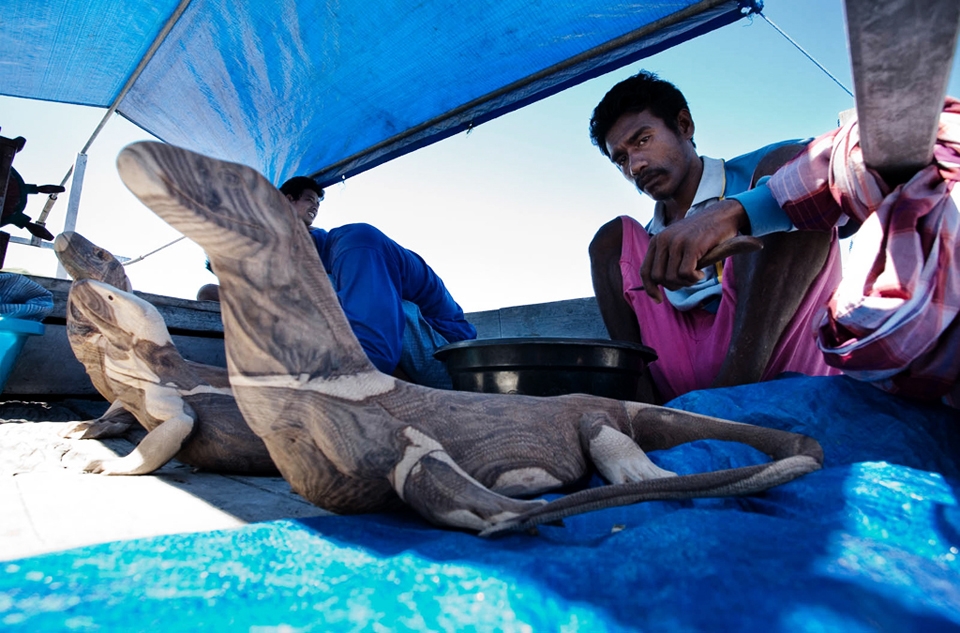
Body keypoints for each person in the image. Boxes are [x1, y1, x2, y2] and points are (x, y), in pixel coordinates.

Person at [587, 71, 842, 404]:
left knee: (789, 173)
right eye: (621, 158)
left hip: (770, 367)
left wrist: (736, 213)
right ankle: (642, 414)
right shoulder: (643, 244)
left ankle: (726, 405)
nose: (635, 166)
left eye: (643, 140)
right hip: (677, 380)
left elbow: (850, 182)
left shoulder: (755, 171)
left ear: (684, 125)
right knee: (609, 240)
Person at [199, 176, 476, 389]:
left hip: (450, 361)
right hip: (394, 352)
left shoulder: (355, 246)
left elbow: (376, 351)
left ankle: (416, 401)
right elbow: (209, 293)